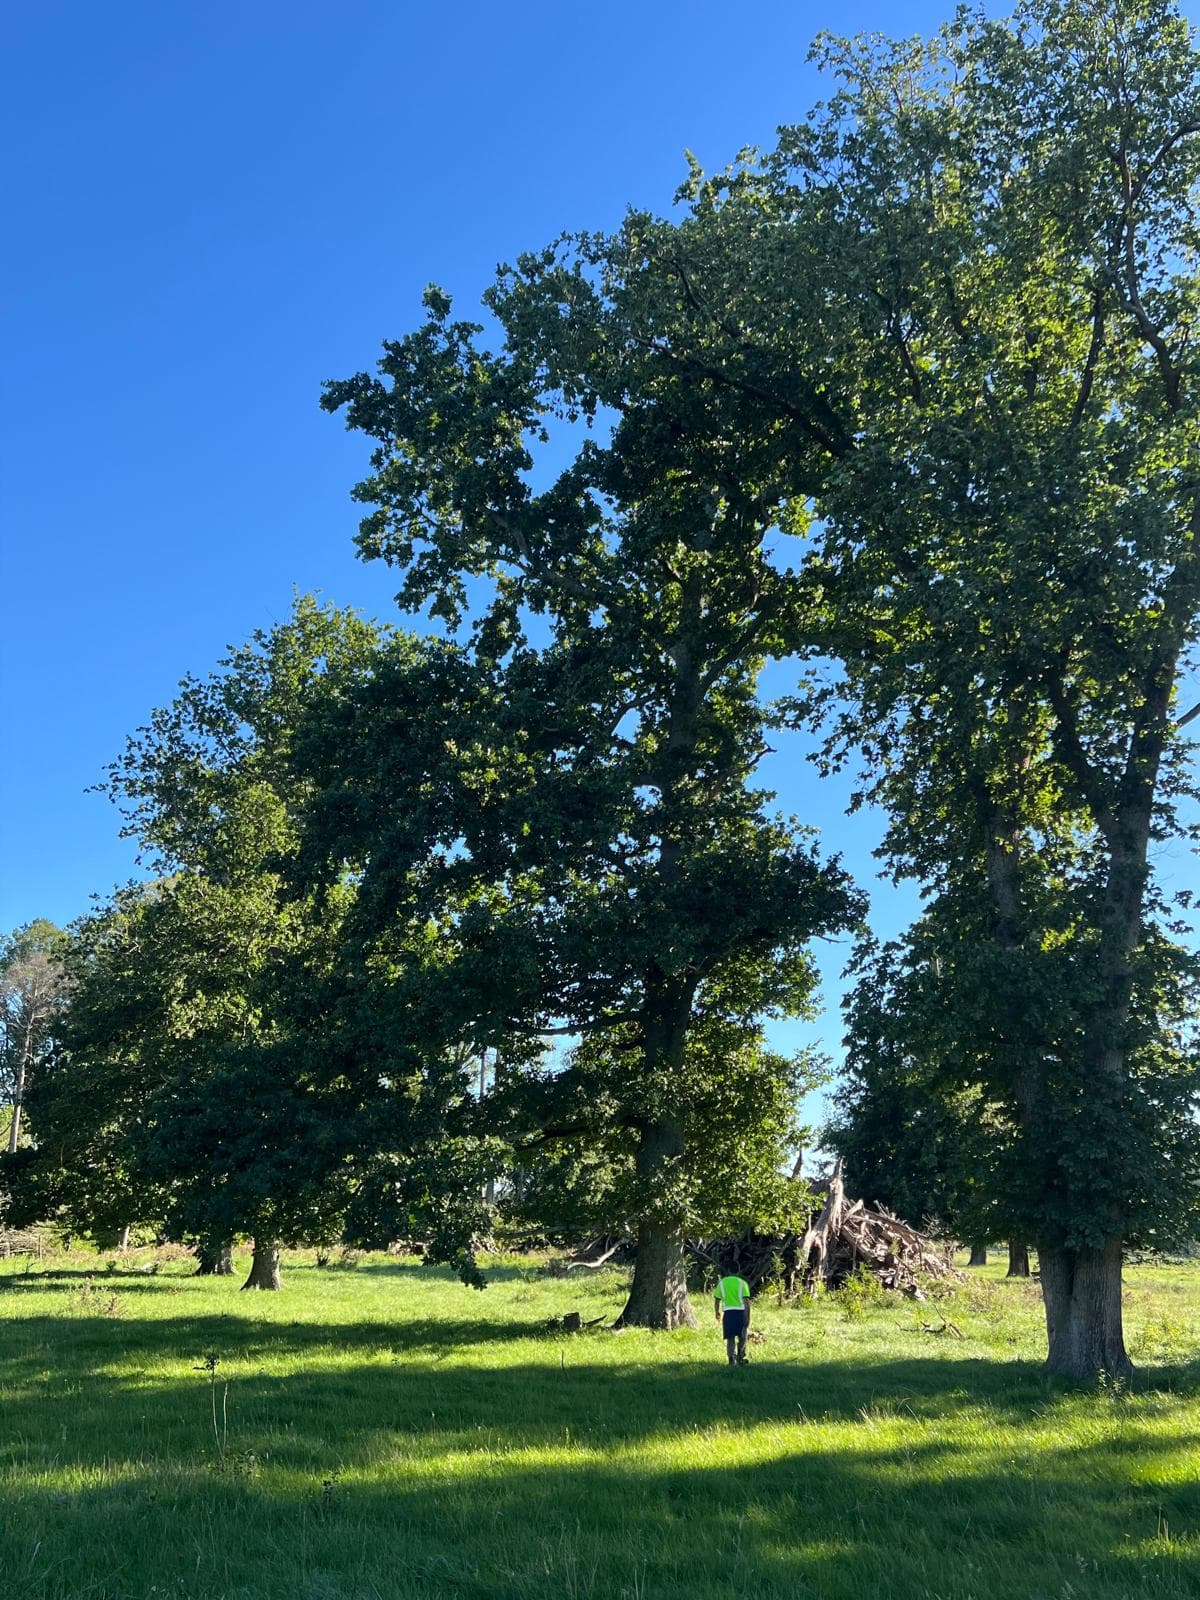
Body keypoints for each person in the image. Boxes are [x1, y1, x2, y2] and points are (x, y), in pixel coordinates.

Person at [713, 1269, 751, 1365]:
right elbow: (746, 1302)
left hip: (728, 1313)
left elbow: (717, 1300)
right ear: (738, 1271)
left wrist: (717, 1312)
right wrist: (748, 1316)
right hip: (741, 1313)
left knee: (730, 1337)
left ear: (727, 1271)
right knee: (742, 1336)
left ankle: (731, 1358)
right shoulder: (742, 1283)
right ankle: (741, 1357)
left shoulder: (721, 1283)